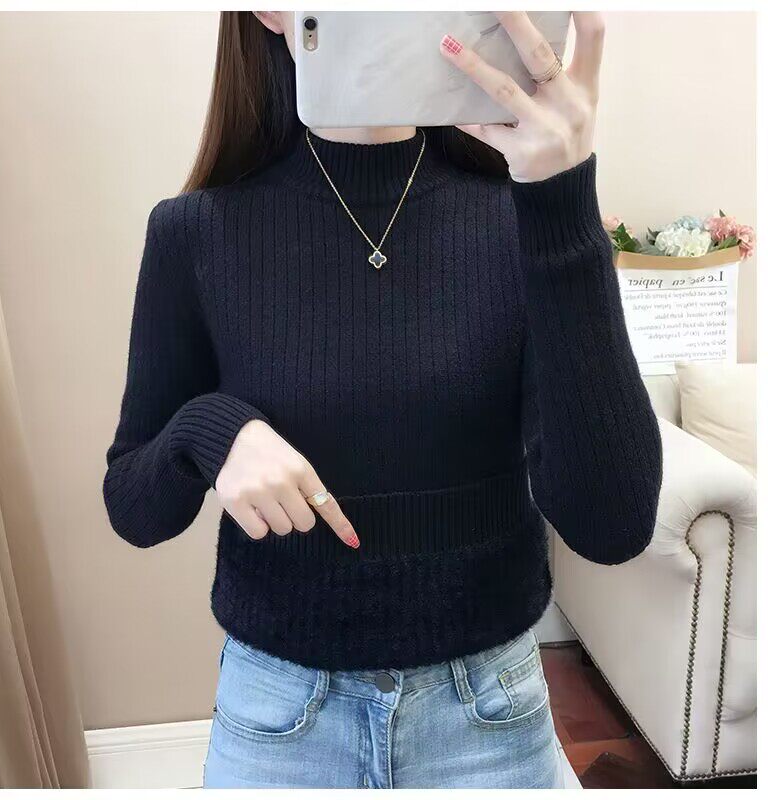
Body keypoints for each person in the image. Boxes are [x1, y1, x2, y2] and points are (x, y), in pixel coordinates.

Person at [103, 10, 662, 789]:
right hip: (279, 722)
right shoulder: (194, 232)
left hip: (489, 714)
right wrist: (210, 431)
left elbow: (613, 524)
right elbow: (134, 505)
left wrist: (561, 201)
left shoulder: (522, 217)